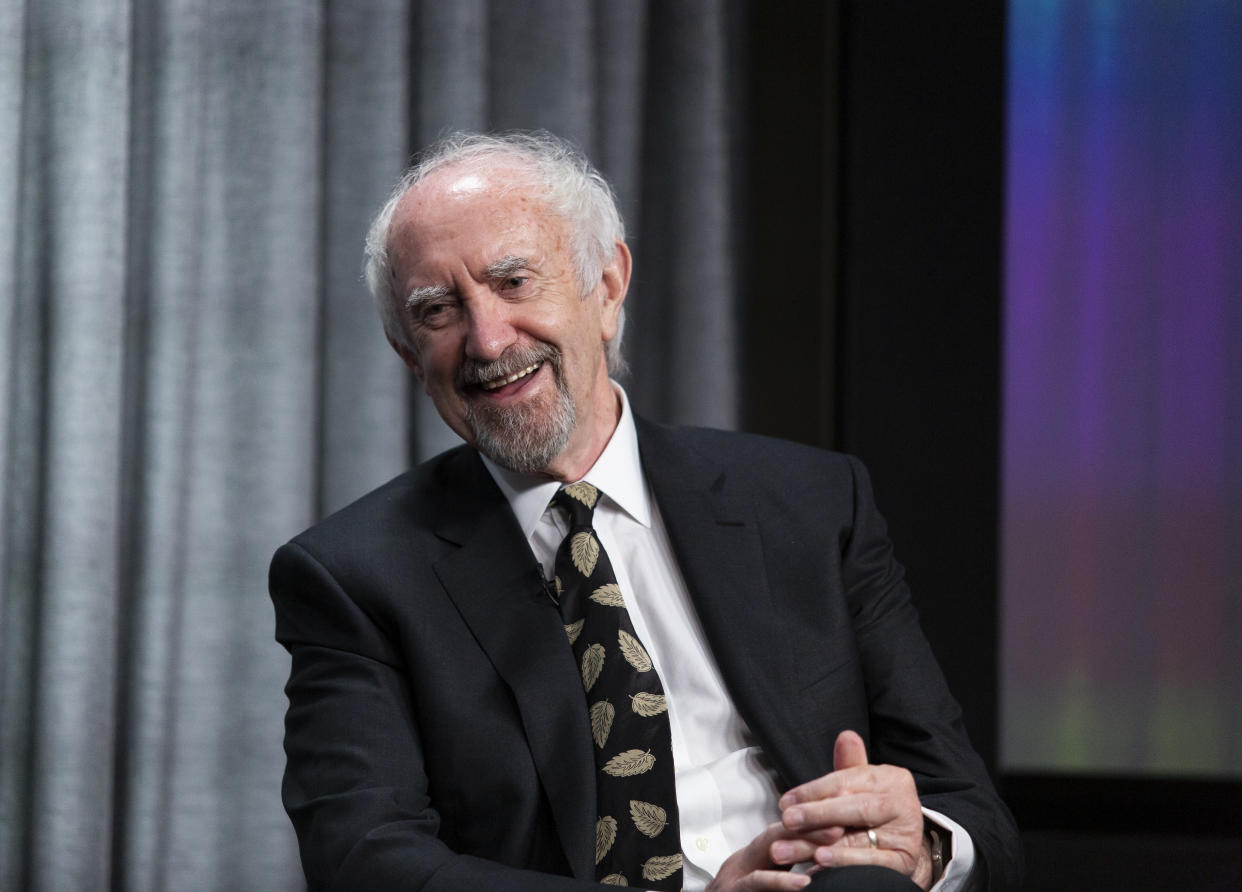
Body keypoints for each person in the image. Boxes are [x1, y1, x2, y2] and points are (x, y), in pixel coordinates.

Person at [269, 130, 1022, 892]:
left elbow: (970, 812)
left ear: (607, 285)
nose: (488, 338)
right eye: (438, 310)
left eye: (515, 282)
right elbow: (366, 863)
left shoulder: (814, 503)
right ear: (407, 352)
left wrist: (920, 847)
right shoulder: (354, 576)